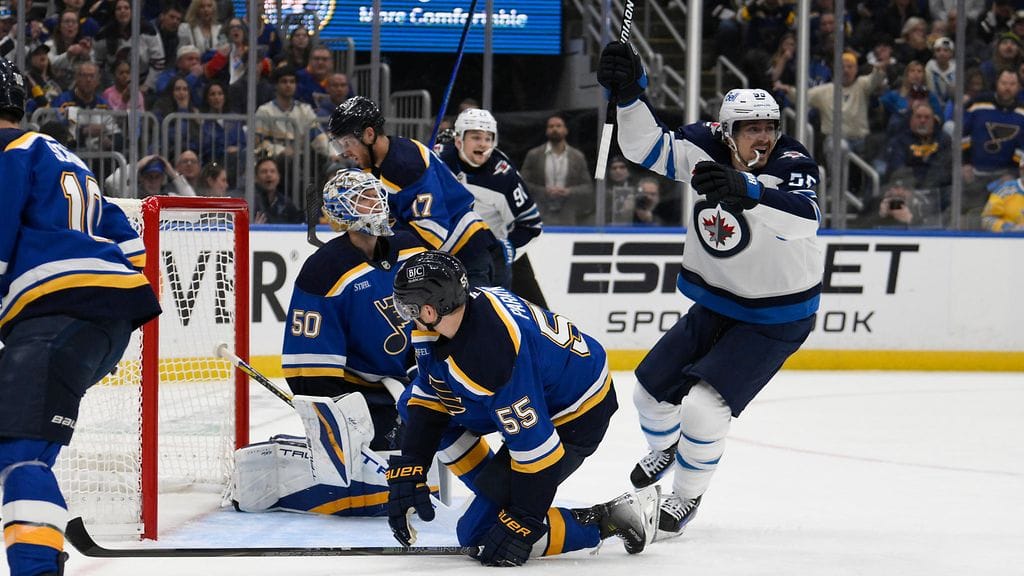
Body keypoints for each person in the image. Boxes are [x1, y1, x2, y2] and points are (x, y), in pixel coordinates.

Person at [598, 43, 823, 538]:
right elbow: (644, 147)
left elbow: (806, 220)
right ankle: (666, 450)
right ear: (727, 132)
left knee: (703, 406)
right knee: (650, 392)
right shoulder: (705, 145)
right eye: (751, 128)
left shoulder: (792, 161)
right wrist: (630, 95)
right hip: (719, 301)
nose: (763, 137)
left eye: (769, 126)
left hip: (776, 315)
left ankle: (686, 497)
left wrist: (751, 190)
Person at [386, 250, 659, 566]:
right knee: (410, 405)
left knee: (478, 533)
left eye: (409, 307)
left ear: (434, 308)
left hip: (575, 413)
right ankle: (499, 491)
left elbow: (538, 452)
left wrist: (524, 519)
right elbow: (430, 394)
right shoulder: (446, 321)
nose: (405, 314)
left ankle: (610, 518)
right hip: (543, 383)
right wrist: (413, 464)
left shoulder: (492, 361)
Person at [0, 57, 161, 576]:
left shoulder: (7, 152)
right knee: (19, 441)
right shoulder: (62, 154)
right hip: (104, 316)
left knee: (21, 453)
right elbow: (132, 248)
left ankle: (35, 567)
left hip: (55, 316)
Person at [282, 169, 426, 451]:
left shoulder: (410, 248)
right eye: (363, 198)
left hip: (416, 384)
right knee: (386, 480)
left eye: (377, 195)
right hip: (359, 398)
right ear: (341, 211)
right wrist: (338, 413)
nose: (376, 204)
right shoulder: (324, 271)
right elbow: (309, 366)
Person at [328, 96, 506, 288]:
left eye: (346, 143)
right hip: (442, 263)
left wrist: (381, 257)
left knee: (475, 317)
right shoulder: (370, 168)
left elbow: (431, 231)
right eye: (339, 145)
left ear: (369, 135)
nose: (343, 152)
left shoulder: (407, 164)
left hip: (468, 256)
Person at [437, 107, 547, 304]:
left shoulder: (503, 176)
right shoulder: (437, 161)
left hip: (493, 255)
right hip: (450, 252)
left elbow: (531, 225)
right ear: (459, 140)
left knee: (535, 315)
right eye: (476, 137)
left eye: (488, 138)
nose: (483, 144)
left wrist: (506, 248)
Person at [520, 114, 595, 226]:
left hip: (568, 212)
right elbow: (522, 183)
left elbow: (587, 187)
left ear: (565, 130)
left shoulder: (577, 157)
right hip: (540, 210)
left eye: (558, 126)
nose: (554, 129)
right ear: (546, 131)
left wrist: (568, 191)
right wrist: (544, 191)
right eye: (551, 126)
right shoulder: (534, 155)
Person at [253, 155, 302, 223]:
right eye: (264, 171)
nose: (268, 175)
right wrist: (254, 230)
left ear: (279, 177)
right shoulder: (250, 203)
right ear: (256, 178)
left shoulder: (287, 205)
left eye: (272, 171)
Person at [981, 157, 1024, 231]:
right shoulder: (1005, 191)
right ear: (1021, 170)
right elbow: (986, 220)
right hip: (1010, 240)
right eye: (1023, 168)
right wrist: (1009, 228)